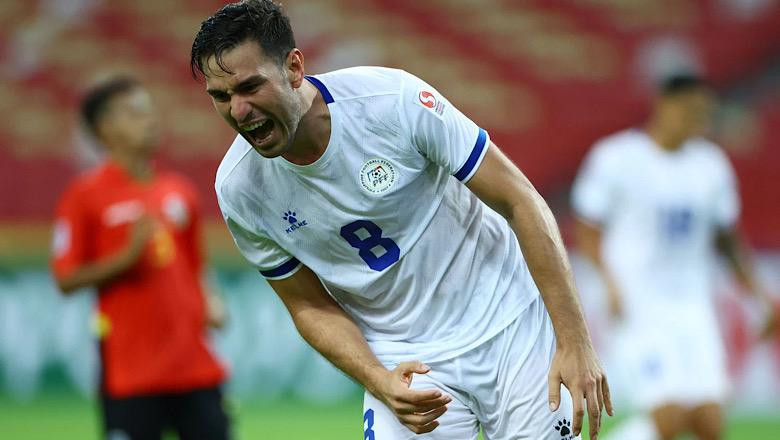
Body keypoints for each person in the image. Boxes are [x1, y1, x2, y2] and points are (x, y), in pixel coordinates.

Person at [190, 1, 612, 439]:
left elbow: (520, 201)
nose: (239, 111)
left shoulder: (391, 102)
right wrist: (377, 378)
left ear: (294, 68)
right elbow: (307, 304)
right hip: (405, 358)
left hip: (509, 323)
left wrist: (575, 341)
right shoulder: (240, 189)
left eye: (251, 87)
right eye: (221, 97)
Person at [571, 75, 777, 440]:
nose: (698, 120)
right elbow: (587, 229)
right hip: (638, 304)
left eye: (703, 113)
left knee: (709, 423)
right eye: (691, 110)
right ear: (664, 105)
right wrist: (607, 280)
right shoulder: (617, 157)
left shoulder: (711, 165)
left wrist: (759, 295)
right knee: (669, 417)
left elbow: (727, 241)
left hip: (693, 305)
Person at [51, 76, 231, 440]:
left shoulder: (178, 191)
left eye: (149, 111)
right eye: (134, 113)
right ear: (104, 128)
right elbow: (65, 278)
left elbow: (196, 264)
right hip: (132, 371)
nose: (149, 121)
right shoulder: (84, 196)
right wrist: (126, 258)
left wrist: (210, 300)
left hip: (194, 364)